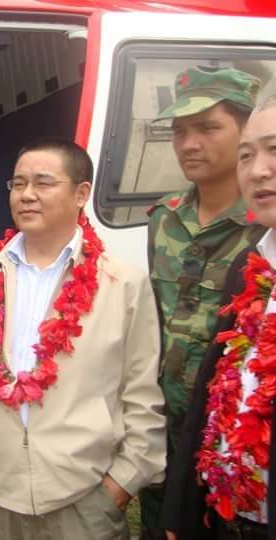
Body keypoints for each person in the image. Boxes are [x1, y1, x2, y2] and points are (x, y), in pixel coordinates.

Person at [0, 138, 166, 539]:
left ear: (81, 194)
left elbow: (143, 392)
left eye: (43, 183)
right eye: (18, 184)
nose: (27, 194)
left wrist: (121, 483)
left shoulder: (121, 283)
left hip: (86, 499)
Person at [141, 66, 265, 539]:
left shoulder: (264, 226)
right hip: (162, 417)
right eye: (179, 131)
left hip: (226, 427)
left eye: (208, 128)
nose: (189, 144)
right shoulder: (164, 218)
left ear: (245, 130)